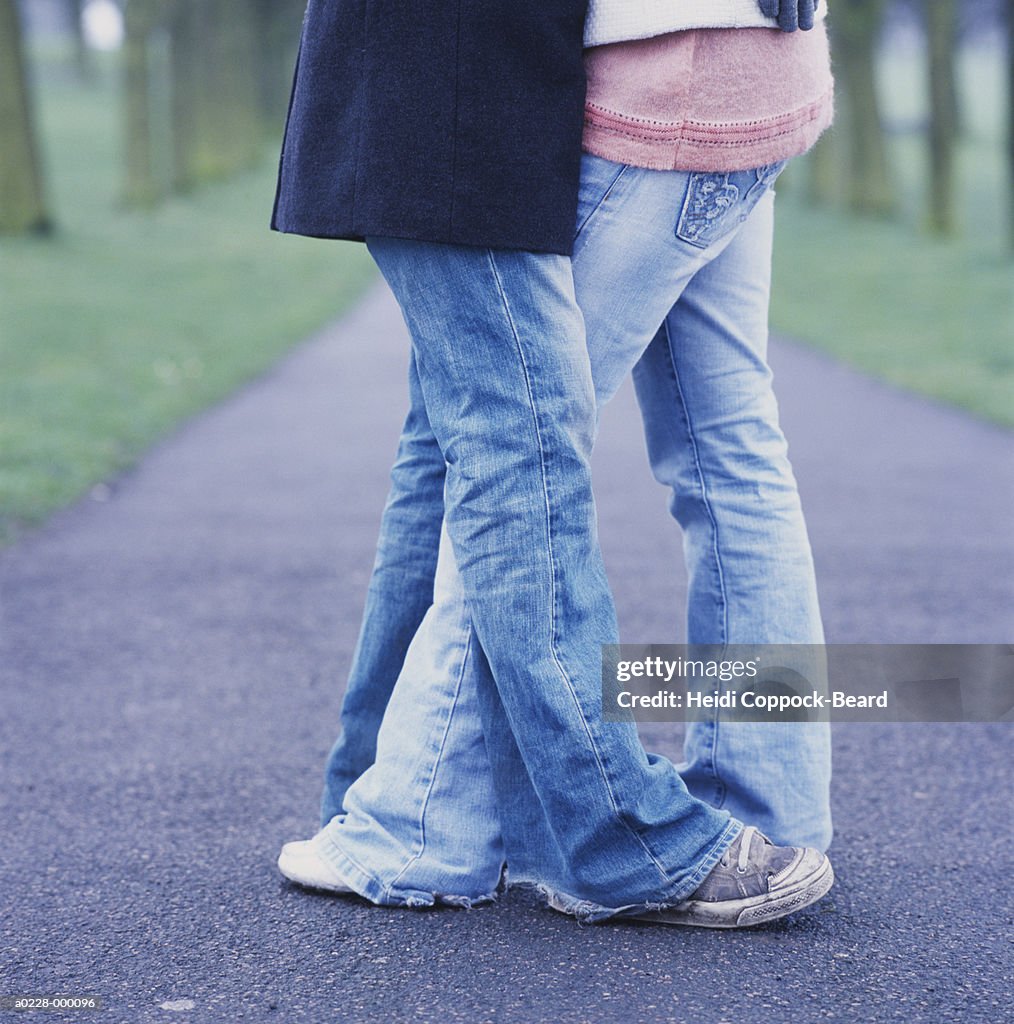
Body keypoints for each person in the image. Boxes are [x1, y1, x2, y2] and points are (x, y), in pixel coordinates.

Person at [273, 0, 834, 927]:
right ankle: (769, 804)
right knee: (729, 455)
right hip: (759, 75)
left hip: (666, 89)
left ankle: (416, 828)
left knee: (515, 456)